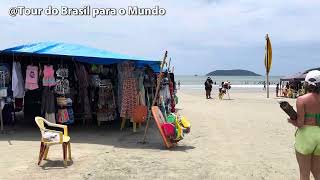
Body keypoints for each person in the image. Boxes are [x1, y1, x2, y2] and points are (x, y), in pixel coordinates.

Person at [288, 70, 320, 180]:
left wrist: (292, 121)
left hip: (306, 136)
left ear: (306, 83)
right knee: (317, 172)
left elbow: (300, 124)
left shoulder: (302, 99)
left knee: (304, 173)